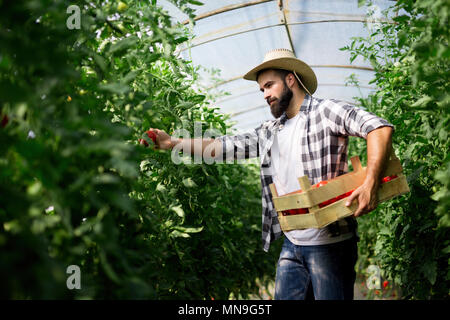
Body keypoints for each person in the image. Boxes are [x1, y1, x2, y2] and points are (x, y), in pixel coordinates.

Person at [148, 48, 394, 300]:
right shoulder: (270, 130)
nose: (265, 94)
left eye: (269, 85)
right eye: (262, 90)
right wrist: (172, 143)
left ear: (290, 80)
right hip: (292, 243)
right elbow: (223, 147)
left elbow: (379, 127)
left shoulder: (325, 111)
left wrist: (371, 183)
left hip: (330, 242)